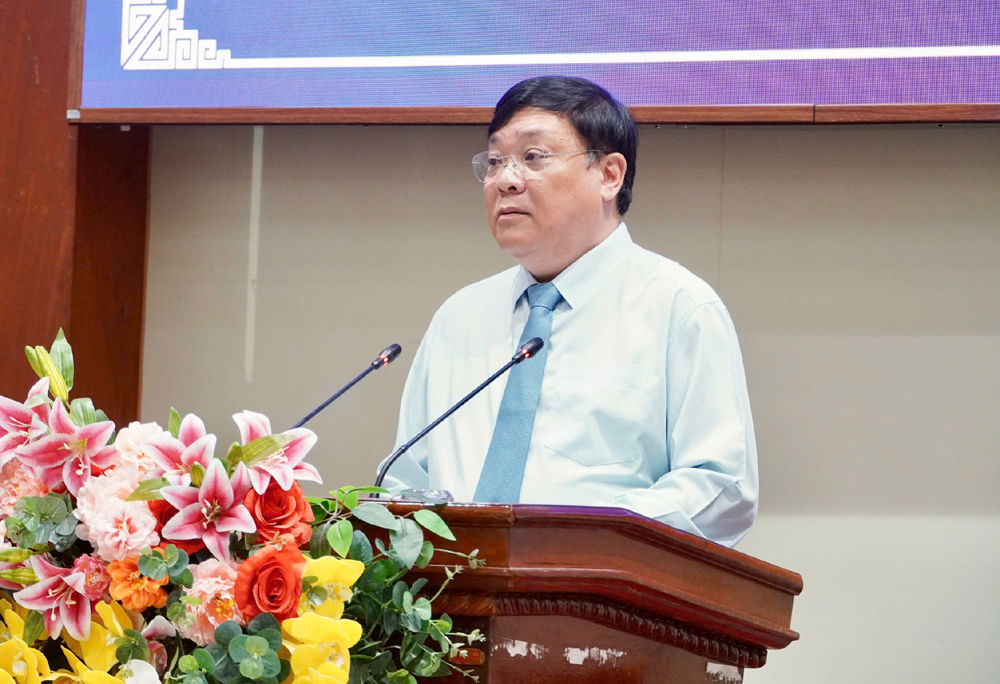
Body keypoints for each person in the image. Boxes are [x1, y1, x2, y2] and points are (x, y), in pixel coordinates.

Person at [381, 76, 758, 547]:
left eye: (533, 157)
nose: (506, 180)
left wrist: (585, 539)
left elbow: (721, 486)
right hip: (455, 587)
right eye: (495, 161)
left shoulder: (679, 308)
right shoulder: (459, 317)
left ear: (609, 175)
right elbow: (405, 479)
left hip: (604, 585)